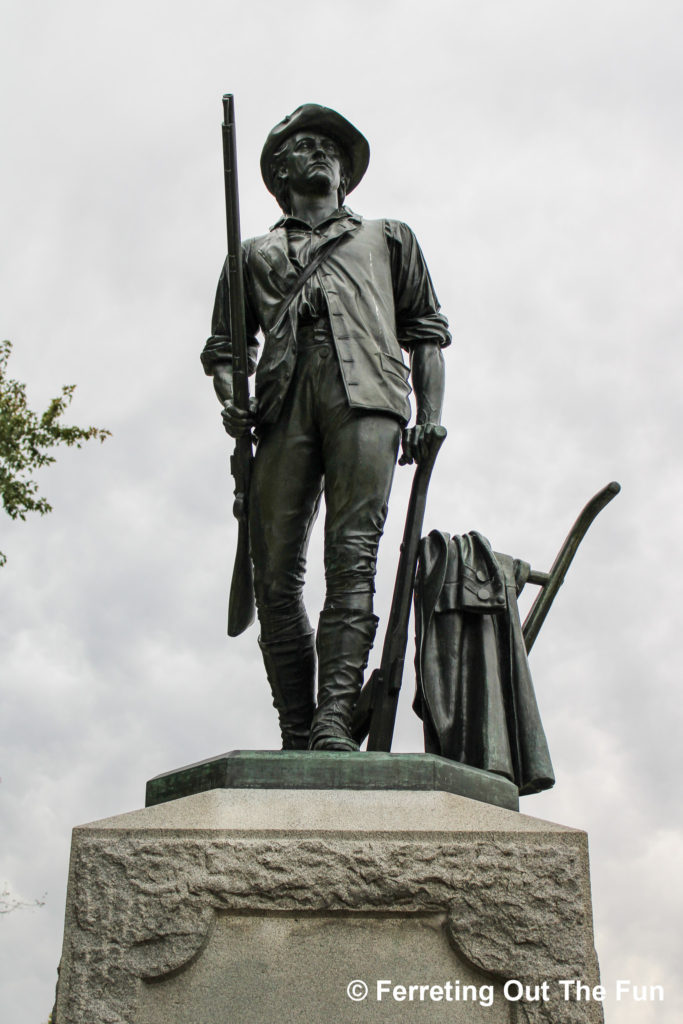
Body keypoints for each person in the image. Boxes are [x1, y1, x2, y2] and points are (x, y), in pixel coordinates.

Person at [201, 103, 450, 751]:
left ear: (345, 171)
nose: (317, 153)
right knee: (273, 575)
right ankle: (295, 726)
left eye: (328, 147)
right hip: (281, 410)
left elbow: (424, 334)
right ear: (278, 174)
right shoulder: (249, 256)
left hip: (367, 399)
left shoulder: (389, 238)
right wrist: (233, 396)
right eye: (301, 146)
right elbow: (227, 352)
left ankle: (334, 721)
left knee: (352, 559)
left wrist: (431, 417)